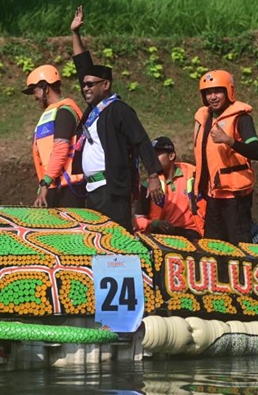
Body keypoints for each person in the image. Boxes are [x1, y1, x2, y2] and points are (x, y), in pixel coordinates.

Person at [70, 5, 164, 232]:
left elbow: (141, 140)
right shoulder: (93, 110)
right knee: (96, 240)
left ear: (106, 84)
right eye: (83, 85)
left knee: (115, 239)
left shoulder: (119, 109)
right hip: (92, 190)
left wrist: (153, 176)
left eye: (90, 84)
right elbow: (83, 66)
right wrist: (75, 33)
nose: (85, 88)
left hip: (112, 187)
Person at [193, 69, 258, 244]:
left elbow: (255, 152)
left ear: (228, 92)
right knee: (213, 245)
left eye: (217, 92)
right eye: (208, 93)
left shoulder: (242, 119)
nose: (213, 97)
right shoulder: (204, 118)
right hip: (213, 195)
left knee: (238, 244)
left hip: (235, 197)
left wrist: (229, 140)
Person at [22, 64, 85, 208]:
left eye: (35, 90)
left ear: (46, 88)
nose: (34, 96)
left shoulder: (65, 112)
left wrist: (45, 183)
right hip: (55, 186)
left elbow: (60, 149)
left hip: (70, 189)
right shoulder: (52, 113)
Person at [134, 137, 204, 240]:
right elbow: (138, 219)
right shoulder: (148, 185)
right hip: (161, 234)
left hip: (193, 234)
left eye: (157, 155)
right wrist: (154, 224)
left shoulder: (194, 176)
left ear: (171, 156)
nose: (153, 160)